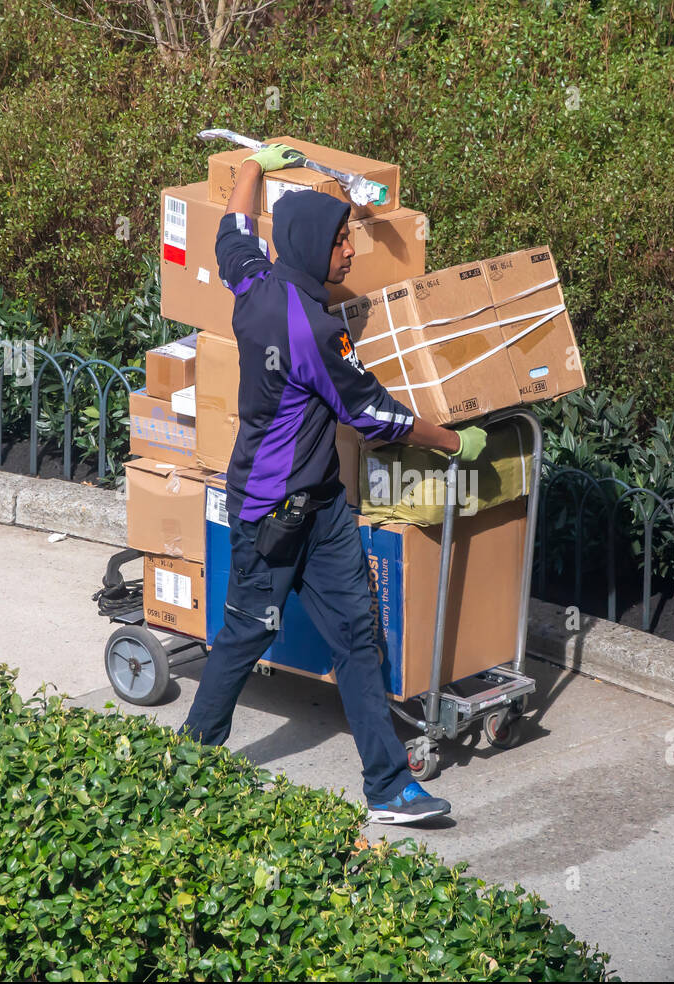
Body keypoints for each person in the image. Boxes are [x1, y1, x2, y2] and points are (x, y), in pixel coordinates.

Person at [179, 142, 486, 824]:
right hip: (273, 511)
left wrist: (255, 164)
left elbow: (231, 230)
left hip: (322, 506)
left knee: (356, 637)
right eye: (342, 241)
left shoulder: (254, 283)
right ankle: (189, 762)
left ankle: (389, 788)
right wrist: (453, 439)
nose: (350, 252)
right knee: (245, 634)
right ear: (315, 248)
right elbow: (374, 416)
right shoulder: (314, 330)